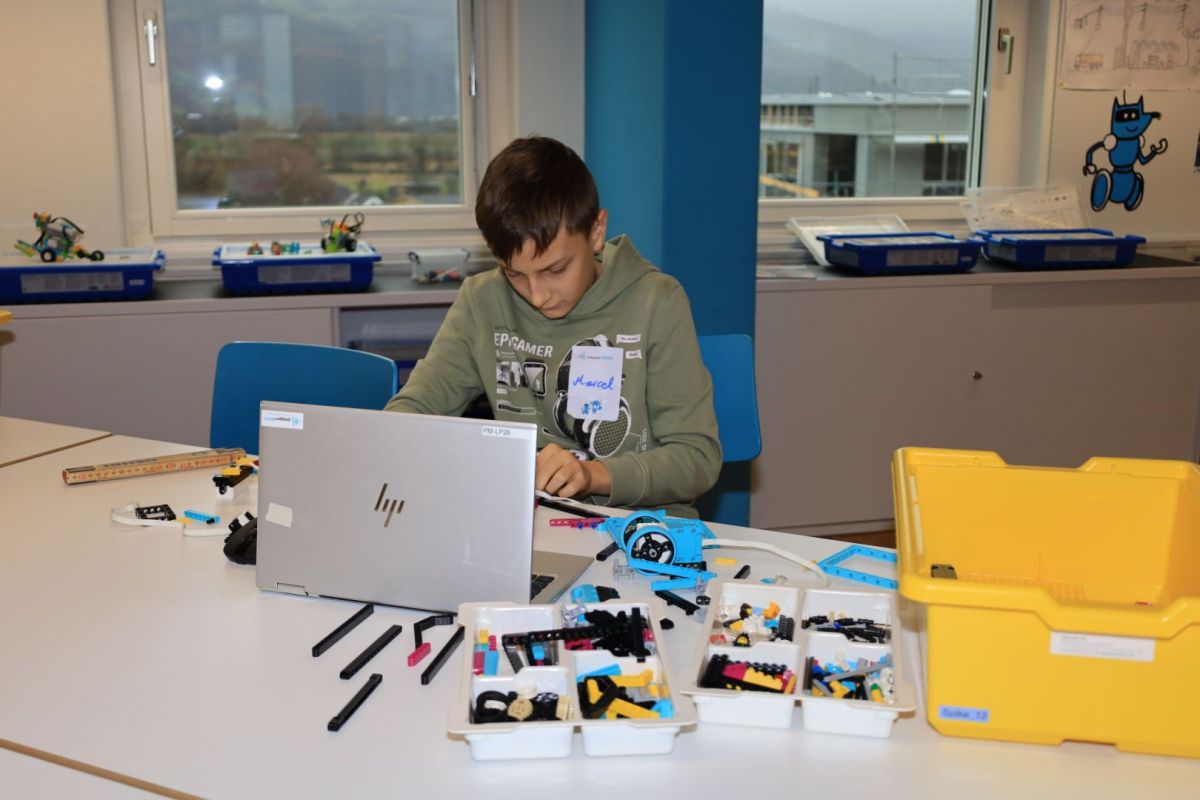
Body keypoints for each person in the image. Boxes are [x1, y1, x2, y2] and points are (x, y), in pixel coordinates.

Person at [384, 135, 720, 515]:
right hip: (529, 524)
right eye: (515, 274)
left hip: (640, 527)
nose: (538, 295)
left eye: (556, 270)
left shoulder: (655, 302)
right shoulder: (483, 301)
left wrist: (592, 476)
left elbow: (696, 458)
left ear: (596, 231)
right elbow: (412, 411)